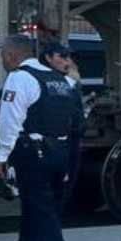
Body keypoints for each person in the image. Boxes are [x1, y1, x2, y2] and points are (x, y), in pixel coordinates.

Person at [0, 35, 82, 241]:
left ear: (12, 55)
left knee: (41, 209)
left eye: (3, 56)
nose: (3, 61)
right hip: (60, 152)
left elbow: (9, 121)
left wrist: (0, 156)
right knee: (38, 206)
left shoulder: (20, 77)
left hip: (33, 153)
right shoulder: (59, 80)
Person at [41, 41, 88, 213]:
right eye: (62, 57)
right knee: (58, 189)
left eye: (69, 57)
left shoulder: (67, 81)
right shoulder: (63, 83)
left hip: (65, 139)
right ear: (48, 58)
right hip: (59, 141)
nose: (67, 61)